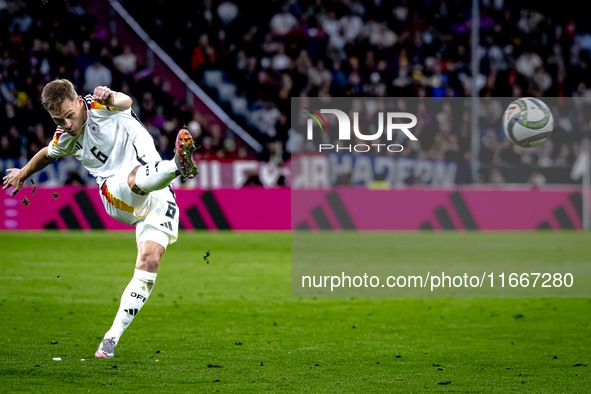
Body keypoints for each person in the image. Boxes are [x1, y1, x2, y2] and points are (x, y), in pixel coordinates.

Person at [2, 79, 199, 358]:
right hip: (115, 192)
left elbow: (125, 102)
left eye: (70, 115)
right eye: (59, 119)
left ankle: (110, 341)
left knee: (149, 265)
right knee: (134, 179)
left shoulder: (99, 104)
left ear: (78, 101)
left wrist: (109, 97)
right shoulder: (66, 137)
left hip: (158, 190)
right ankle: (178, 165)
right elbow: (48, 153)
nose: (67, 124)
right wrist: (24, 172)